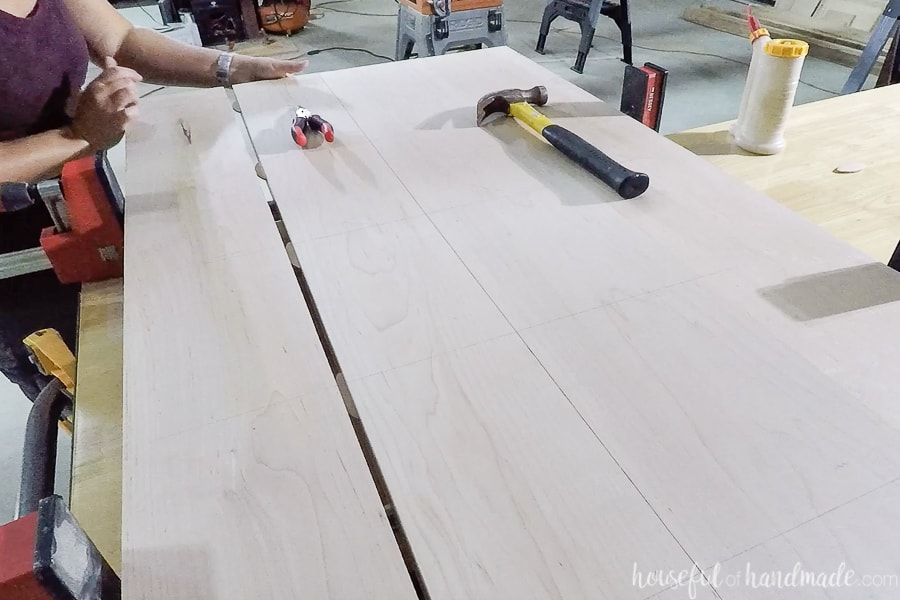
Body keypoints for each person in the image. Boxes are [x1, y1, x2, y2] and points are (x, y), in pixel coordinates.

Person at [0, 0, 306, 399]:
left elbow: (122, 39)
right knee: (100, 393)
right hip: (18, 259)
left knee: (181, 359)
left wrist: (229, 68)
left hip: (79, 198)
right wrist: (78, 137)